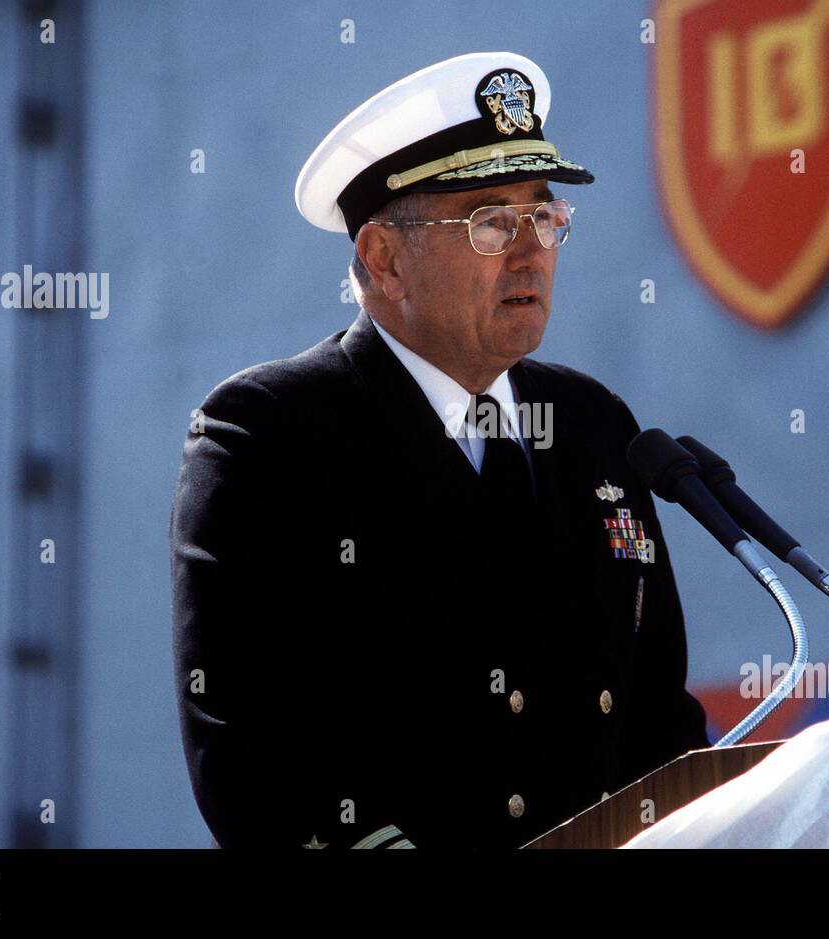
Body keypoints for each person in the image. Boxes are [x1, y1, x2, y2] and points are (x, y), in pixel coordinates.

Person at [169, 51, 709, 850]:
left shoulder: (594, 423)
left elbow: (659, 719)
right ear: (384, 259)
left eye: (545, 216)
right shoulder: (270, 435)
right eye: (491, 221)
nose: (531, 251)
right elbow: (255, 760)